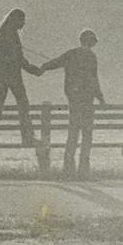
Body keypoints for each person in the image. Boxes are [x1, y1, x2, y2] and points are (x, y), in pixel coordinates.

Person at [39, 29, 104, 179]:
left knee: (73, 134)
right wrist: (100, 98)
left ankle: (68, 170)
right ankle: (84, 171)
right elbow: (94, 80)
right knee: (87, 135)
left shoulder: (71, 54)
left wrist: (43, 67)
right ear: (92, 43)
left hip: (73, 100)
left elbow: (55, 62)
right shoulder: (91, 57)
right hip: (87, 101)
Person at [0, 8, 41, 146]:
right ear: (16, 20)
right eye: (22, 20)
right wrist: (33, 70)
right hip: (13, 75)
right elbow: (18, 58)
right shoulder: (11, 35)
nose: (24, 23)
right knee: (23, 104)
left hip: (0, 75)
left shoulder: (2, 34)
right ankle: (27, 137)